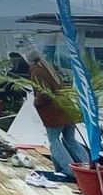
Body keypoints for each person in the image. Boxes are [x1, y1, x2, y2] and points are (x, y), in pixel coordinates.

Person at [26, 49, 89, 178]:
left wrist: (36, 103)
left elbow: (44, 92)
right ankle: (87, 165)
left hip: (53, 112)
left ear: (29, 60)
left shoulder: (36, 71)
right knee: (70, 139)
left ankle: (69, 169)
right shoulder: (49, 68)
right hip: (66, 108)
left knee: (54, 140)